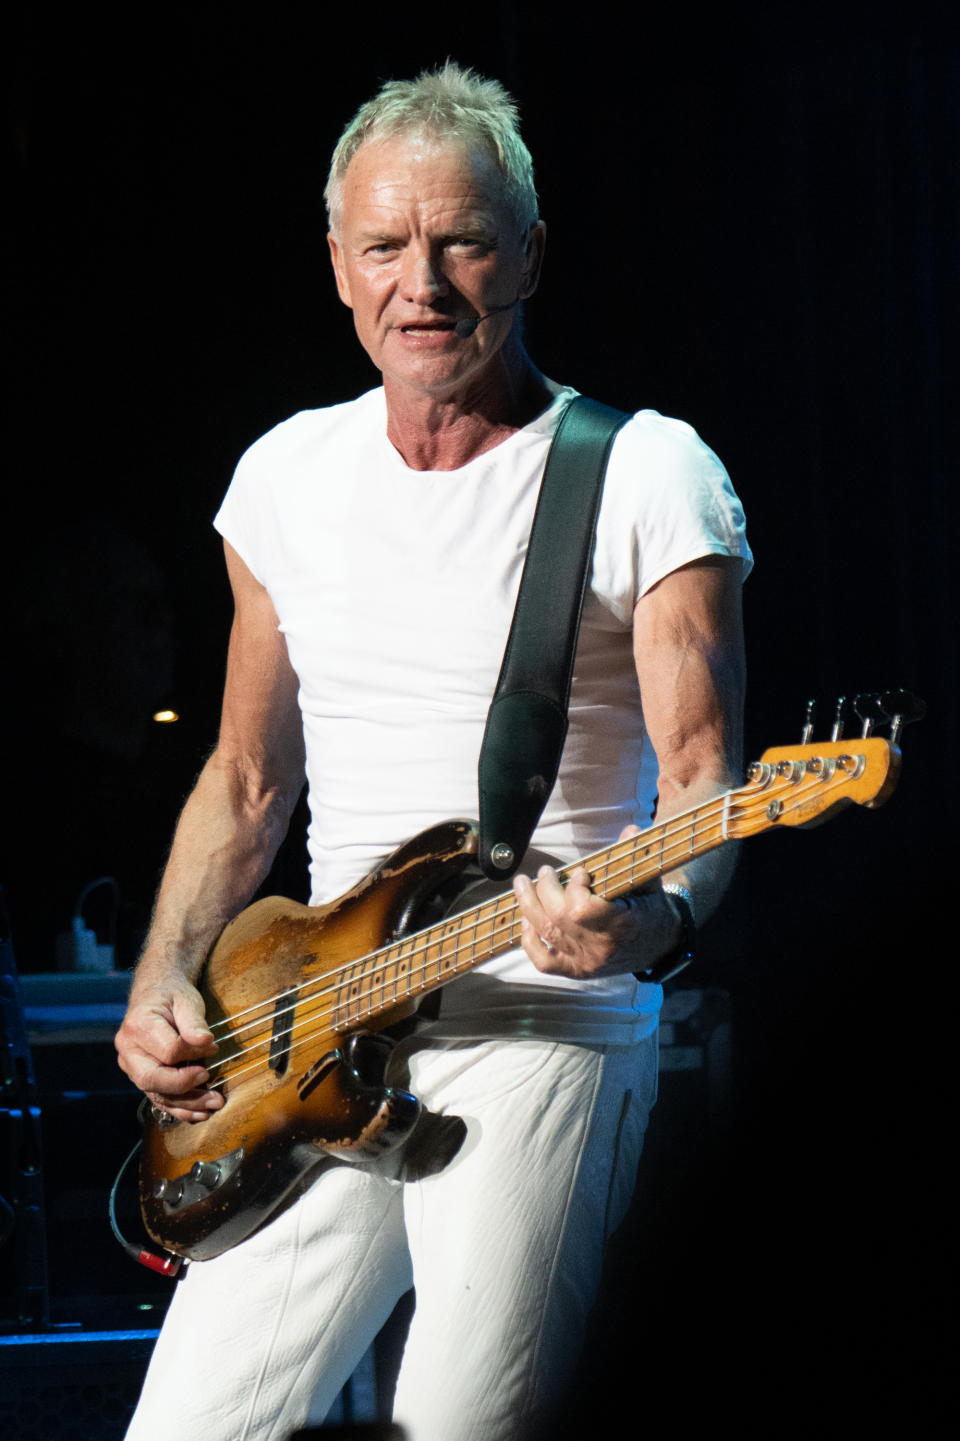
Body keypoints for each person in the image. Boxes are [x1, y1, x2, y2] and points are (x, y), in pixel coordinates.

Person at [115, 62, 751, 1441]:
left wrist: (644, 927)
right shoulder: (283, 477)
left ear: (530, 251)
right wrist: (166, 969)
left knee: (466, 1421)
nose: (425, 282)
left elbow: (703, 781)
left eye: (463, 239)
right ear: (338, 266)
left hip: (547, 1021)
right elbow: (243, 780)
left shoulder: (646, 472)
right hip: (312, 1033)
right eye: (386, 245)